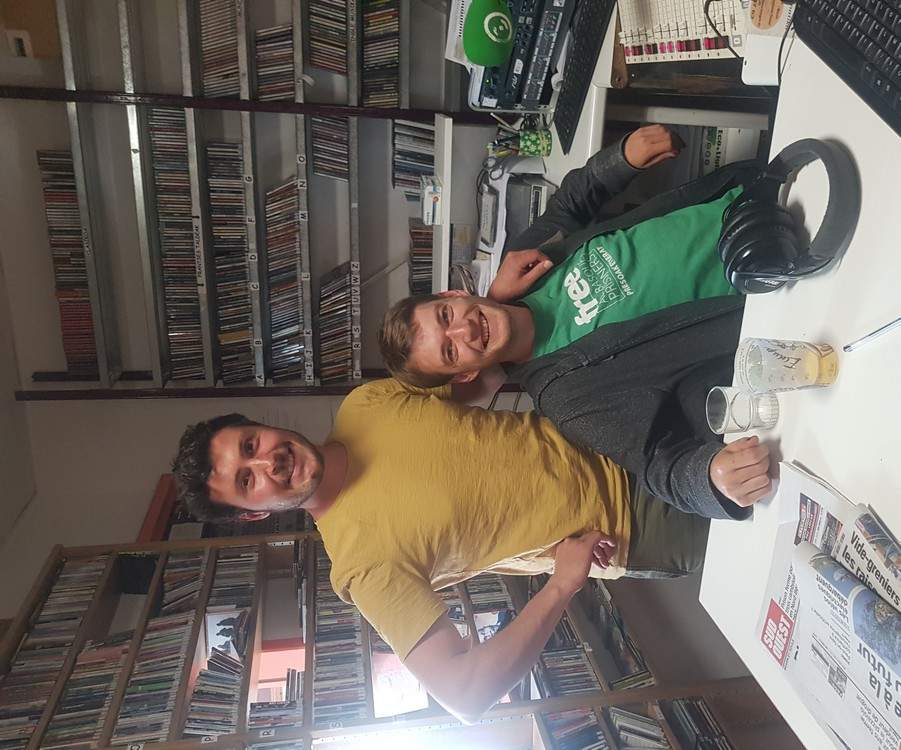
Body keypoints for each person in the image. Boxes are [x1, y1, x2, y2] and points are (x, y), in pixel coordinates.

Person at [172, 370, 714, 723]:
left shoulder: (366, 403)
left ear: (261, 425)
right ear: (254, 512)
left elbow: (484, 377)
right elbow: (465, 692)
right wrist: (561, 585)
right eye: (247, 479)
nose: (267, 461)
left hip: (621, 416)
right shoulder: (363, 567)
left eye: (251, 444)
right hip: (637, 521)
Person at [379, 125, 771, 517]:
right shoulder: (567, 396)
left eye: (446, 316)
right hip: (774, 285)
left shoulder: (522, 260)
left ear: (452, 295)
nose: (464, 330)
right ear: (465, 374)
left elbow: (570, 204)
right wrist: (709, 478)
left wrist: (622, 158)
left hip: (752, 195)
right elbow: (656, 463)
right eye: (450, 351)